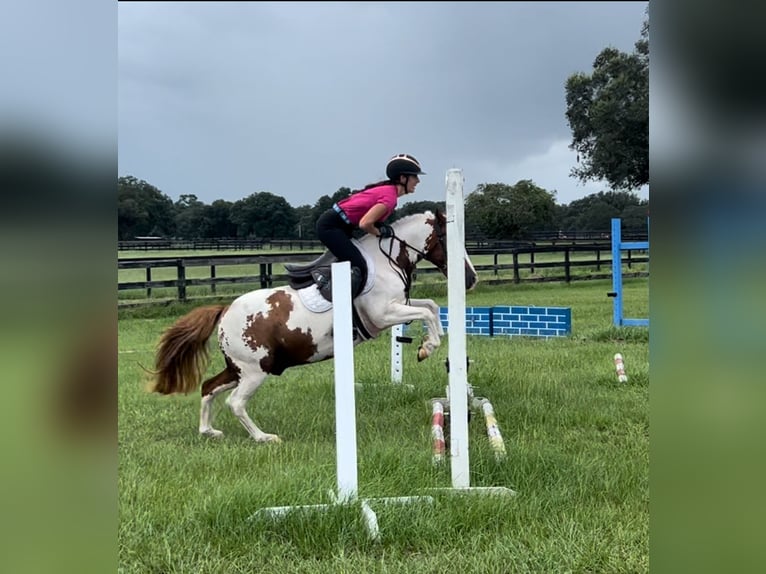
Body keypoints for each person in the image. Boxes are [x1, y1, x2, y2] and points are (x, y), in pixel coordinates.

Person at [313, 153, 426, 300]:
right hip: (331, 226)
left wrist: (379, 228)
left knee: (362, 259)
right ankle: (338, 299)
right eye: (415, 176)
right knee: (360, 265)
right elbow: (365, 223)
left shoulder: (388, 192)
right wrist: (379, 232)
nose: (418, 181)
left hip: (340, 225)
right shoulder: (389, 198)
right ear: (403, 178)